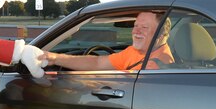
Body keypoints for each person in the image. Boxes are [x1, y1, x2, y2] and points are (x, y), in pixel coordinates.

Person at [40, 12, 173, 71]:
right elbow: (98, 63)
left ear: (160, 35)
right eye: (136, 25)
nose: (136, 31)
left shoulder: (155, 65)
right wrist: (56, 58)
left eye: (144, 27)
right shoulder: (137, 52)